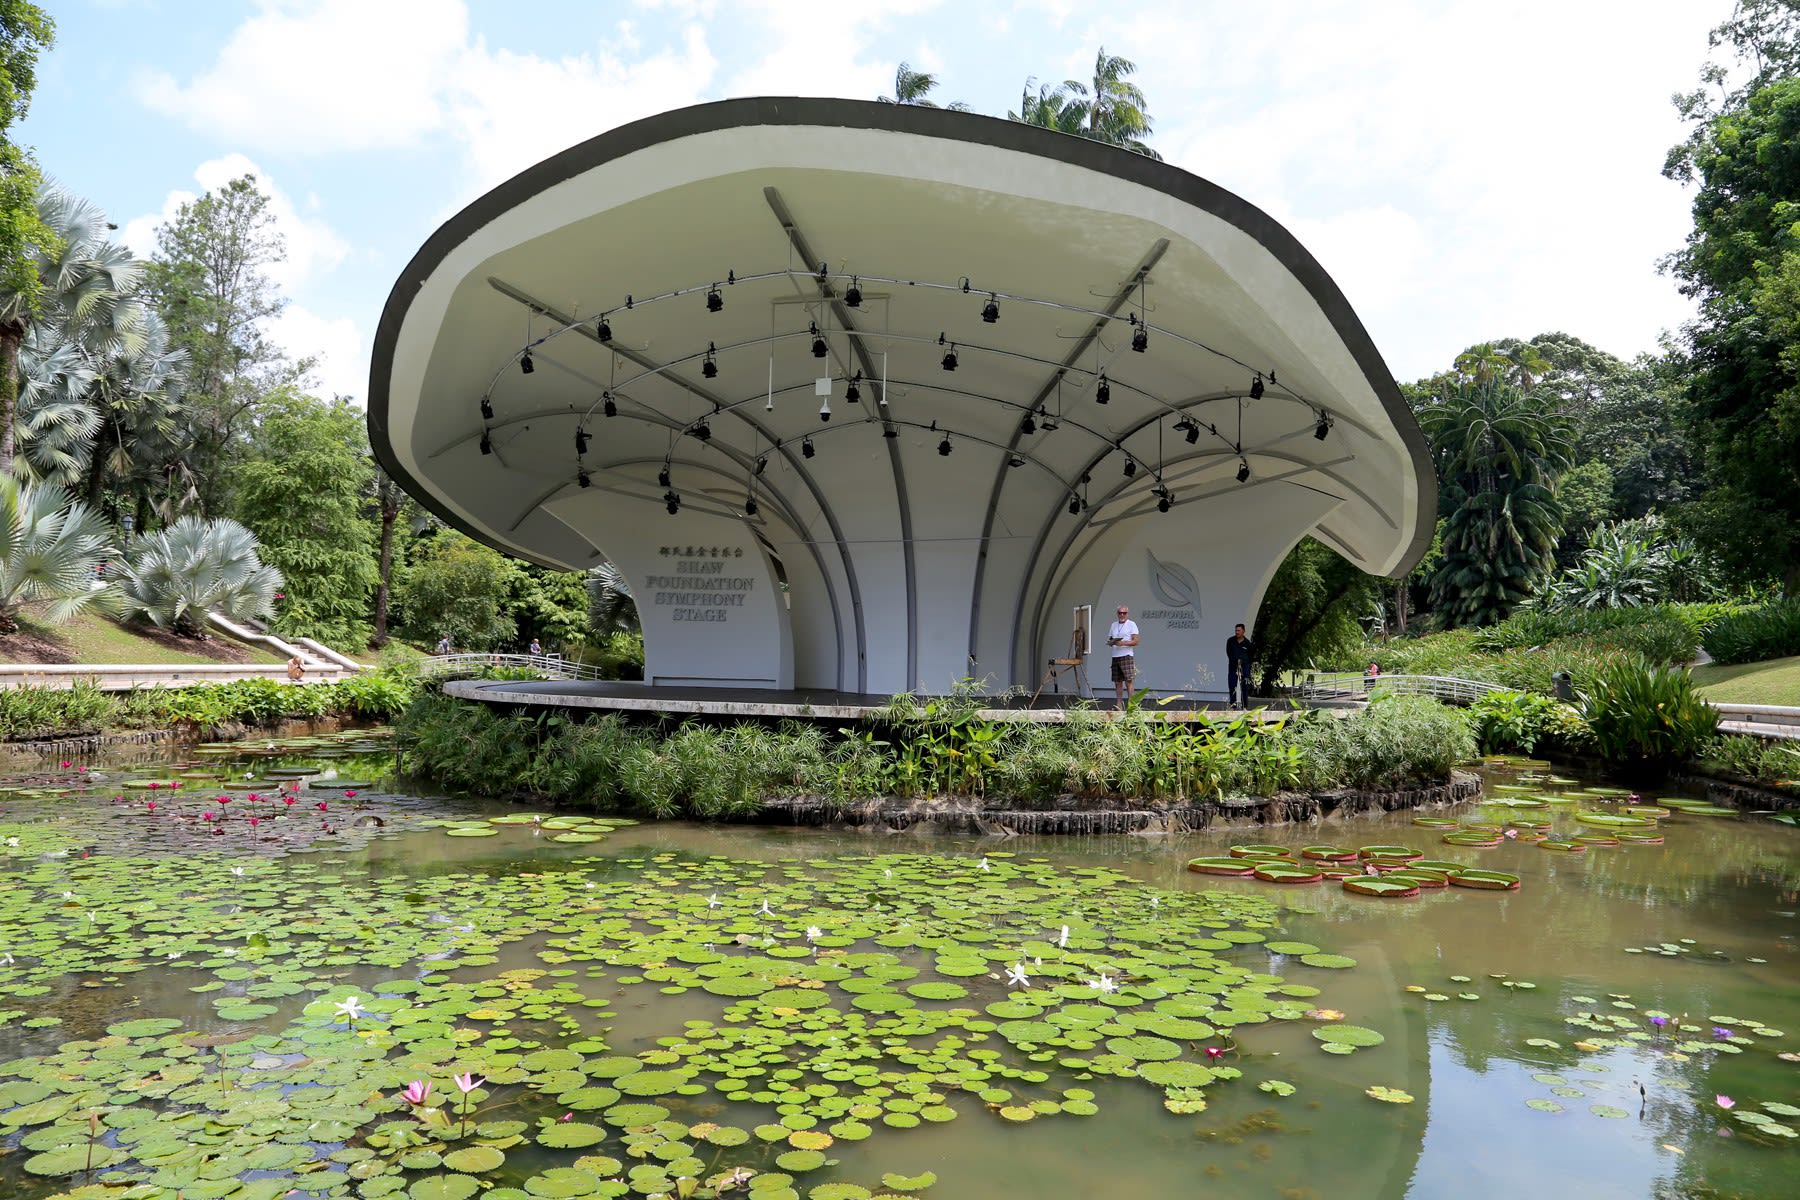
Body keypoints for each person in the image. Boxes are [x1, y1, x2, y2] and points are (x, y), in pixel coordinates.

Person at [1106, 604, 1140, 709]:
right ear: (1117, 614)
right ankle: (1119, 705)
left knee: (1128, 680)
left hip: (1126, 655)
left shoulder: (1131, 624)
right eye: (1120, 613)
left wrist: (1123, 643)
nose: (1122, 615)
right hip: (1115, 656)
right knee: (1117, 681)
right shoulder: (1113, 625)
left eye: (1124, 613)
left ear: (1127, 614)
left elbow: (1136, 641)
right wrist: (1111, 642)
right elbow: (1110, 638)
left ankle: (1131, 706)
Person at [1225, 623, 1254, 707]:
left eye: (1239, 630)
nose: (1237, 632)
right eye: (1236, 630)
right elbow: (1228, 653)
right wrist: (1235, 661)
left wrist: (1245, 665)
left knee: (1244, 686)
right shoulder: (1230, 641)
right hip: (1233, 666)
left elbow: (1250, 655)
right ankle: (1233, 706)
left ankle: (1244, 707)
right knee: (1232, 685)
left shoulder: (1247, 643)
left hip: (1244, 666)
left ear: (1243, 631)